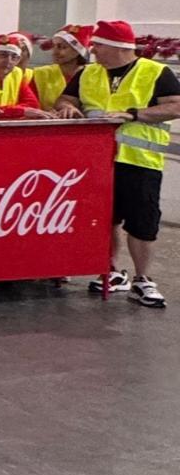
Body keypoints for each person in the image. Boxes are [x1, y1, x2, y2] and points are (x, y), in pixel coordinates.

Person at [57, 20, 180, 307]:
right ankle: (111, 270)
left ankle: (143, 278)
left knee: (142, 222)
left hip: (140, 161)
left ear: (117, 47)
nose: (93, 50)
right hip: (97, 160)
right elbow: (65, 99)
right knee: (105, 218)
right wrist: (67, 107)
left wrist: (135, 114)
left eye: (98, 45)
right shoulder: (87, 73)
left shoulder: (155, 71)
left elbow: (176, 105)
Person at [0, 32, 51, 120]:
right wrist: (20, 111)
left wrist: (10, 111)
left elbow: (32, 104)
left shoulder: (16, 73)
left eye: (14, 57)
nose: (8, 61)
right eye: (3, 55)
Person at [33, 24, 92, 108]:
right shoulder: (40, 74)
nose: (55, 52)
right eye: (54, 46)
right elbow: (31, 105)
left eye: (62, 47)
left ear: (77, 51)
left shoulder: (92, 75)